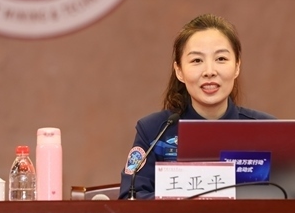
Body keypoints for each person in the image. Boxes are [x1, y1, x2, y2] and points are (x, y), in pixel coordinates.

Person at [118, 13, 275, 199]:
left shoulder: (267, 130)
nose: (209, 71)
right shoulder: (154, 131)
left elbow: (291, 199)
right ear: (179, 71)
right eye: (197, 61)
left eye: (221, 59)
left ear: (237, 66)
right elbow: (131, 198)